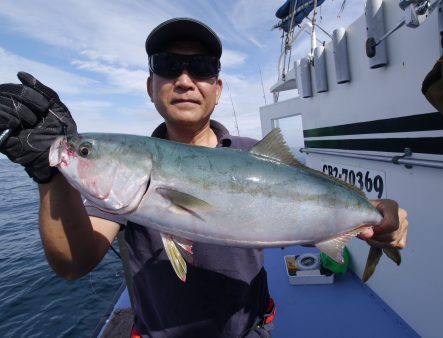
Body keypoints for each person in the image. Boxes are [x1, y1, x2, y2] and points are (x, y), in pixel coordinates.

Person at [0, 18, 408, 338]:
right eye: (167, 66)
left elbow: (306, 213)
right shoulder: (124, 186)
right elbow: (73, 263)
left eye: (201, 68)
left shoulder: (254, 154)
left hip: (250, 330)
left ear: (217, 87)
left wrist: (377, 215)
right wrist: (49, 175)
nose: (184, 79)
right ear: (150, 86)